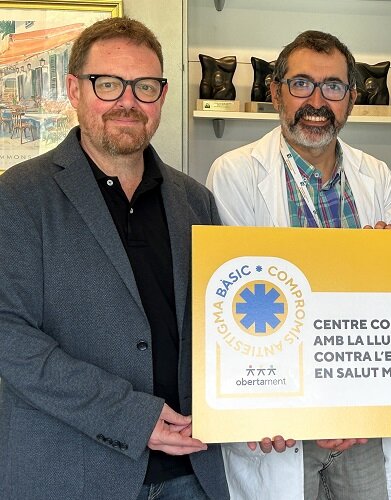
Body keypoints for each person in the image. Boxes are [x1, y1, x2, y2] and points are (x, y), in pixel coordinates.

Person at [0, 17, 228, 500]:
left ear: (162, 96)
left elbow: (224, 328)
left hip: (193, 474)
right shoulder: (17, 197)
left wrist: (263, 407)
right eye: (108, 84)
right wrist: (130, 416)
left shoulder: (196, 202)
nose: (128, 101)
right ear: (74, 90)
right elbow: (8, 336)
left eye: (144, 86)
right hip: (70, 473)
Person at [206, 30, 391, 500]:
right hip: (280, 420)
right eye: (301, 84)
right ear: (275, 92)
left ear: (352, 98)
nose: (317, 101)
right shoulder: (234, 173)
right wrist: (266, 408)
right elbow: (232, 305)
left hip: (360, 417)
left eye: (332, 86)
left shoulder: (376, 176)